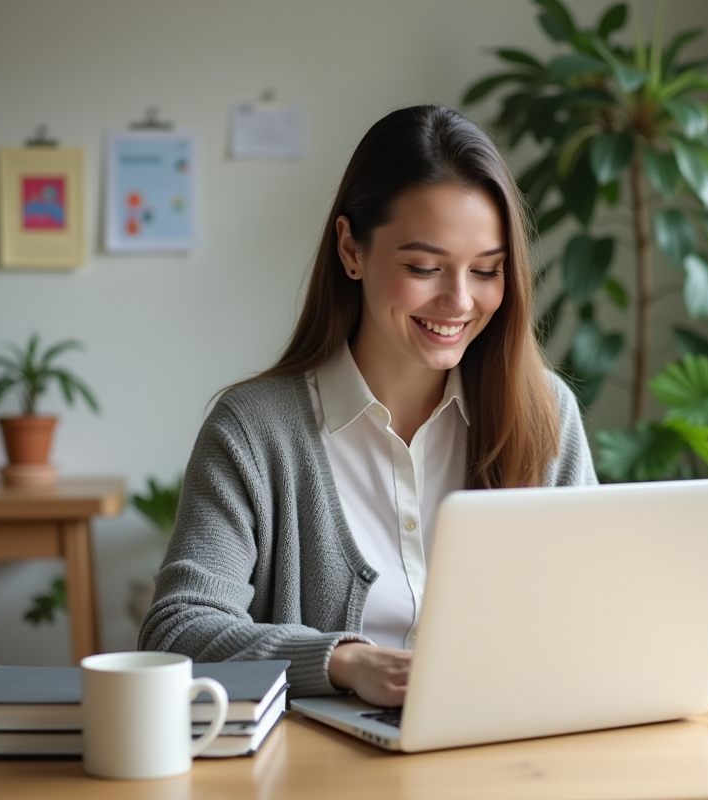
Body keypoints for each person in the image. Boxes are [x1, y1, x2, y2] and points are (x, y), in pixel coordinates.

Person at [138, 105, 596, 707]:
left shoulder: (545, 413)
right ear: (352, 250)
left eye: (486, 270)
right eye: (425, 267)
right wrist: (344, 661)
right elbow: (177, 630)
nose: (460, 301)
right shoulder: (254, 431)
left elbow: (593, 612)